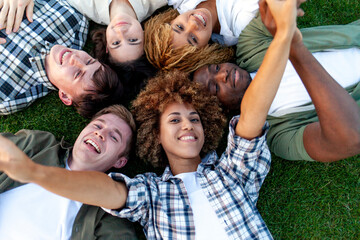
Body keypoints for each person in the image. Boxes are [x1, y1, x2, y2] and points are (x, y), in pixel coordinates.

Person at [0, 0, 300, 238]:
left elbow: (253, 114)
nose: (187, 125)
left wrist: (285, 36)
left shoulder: (233, 172)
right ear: (155, 136)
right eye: (174, 121)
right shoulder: (152, 194)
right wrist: (34, 173)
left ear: (207, 126)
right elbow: (105, 191)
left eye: (194, 118)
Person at [193, 1, 360, 162]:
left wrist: (284, 7)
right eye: (215, 87)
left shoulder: (250, 47)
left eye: (215, 68)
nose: (223, 74)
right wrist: (293, 47)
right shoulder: (279, 133)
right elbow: (351, 137)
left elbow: (275, 9)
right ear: (221, 110)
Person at [0, 105, 138, 239]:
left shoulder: (109, 213)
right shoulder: (39, 144)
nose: (100, 133)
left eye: (114, 137)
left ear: (119, 162)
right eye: (97, 126)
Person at [0, 0, 123, 118]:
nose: (76, 58)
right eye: (89, 61)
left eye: (77, 74)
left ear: (65, 96)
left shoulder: (8, 96)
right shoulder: (74, 23)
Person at [143, 0, 263, 72]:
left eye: (179, 27)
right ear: (204, 51)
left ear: (171, 20)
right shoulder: (241, 24)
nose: (193, 24)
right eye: (193, 39)